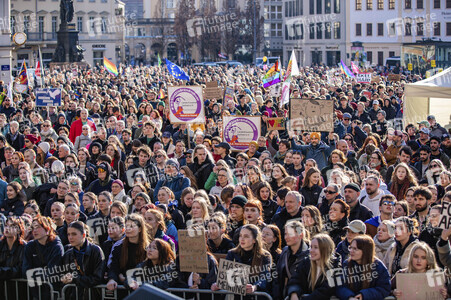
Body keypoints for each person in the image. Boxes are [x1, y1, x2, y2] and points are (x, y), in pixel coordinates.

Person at [211, 224, 273, 296]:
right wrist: (217, 284)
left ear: (254, 240)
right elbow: (225, 277)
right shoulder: (232, 253)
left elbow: (265, 277)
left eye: (246, 236)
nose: (242, 239)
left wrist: (255, 287)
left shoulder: (265, 255)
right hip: (237, 296)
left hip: (256, 296)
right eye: (240, 236)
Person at [336, 235, 391, 300]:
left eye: (355, 249)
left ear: (366, 251)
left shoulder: (378, 266)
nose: (351, 251)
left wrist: (364, 295)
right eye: (350, 247)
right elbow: (340, 286)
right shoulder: (346, 264)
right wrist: (350, 297)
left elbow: (384, 288)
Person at [286, 234, 339, 300]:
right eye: (311, 247)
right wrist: (294, 293)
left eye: (316, 247)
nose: (311, 250)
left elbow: (326, 291)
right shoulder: (305, 263)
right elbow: (295, 281)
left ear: (325, 250)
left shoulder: (336, 267)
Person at [61, 221, 105, 300]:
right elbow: (64, 274)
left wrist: (75, 279)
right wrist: (65, 278)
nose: (70, 237)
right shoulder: (68, 253)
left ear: (83, 235)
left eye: (74, 234)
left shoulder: (95, 250)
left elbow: (97, 278)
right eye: (68, 234)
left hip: (93, 295)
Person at [22, 216, 64, 298]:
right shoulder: (30, 246)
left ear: (47, 229)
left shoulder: (56, 246)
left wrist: (33, 275)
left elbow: (53, 271)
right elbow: (25, 271)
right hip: (35, 292)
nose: (34, 230)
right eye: (33, 228)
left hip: (52, 292)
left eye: (38, 227)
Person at [107, 214, 149, 291]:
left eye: (132, 226)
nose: (128, 229)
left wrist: (129, 279)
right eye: (126, 226)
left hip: (141, 288)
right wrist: (112, 279)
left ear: (140, 229)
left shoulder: (148, 248)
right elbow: (113, 267)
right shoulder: (118, 247)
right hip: (122, 289)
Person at [274, 220, 310, 299]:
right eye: (285, 234)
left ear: (301, 235)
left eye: (290, 234)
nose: (286, 237)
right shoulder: (284, 251)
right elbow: (278, 275)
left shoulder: (310, 254)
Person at [0, 216, 26, 299]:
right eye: (6, 225)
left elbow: (21, 269)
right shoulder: (1, 245)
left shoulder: (24, 247)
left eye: (12, 226)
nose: (7, 228)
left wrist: (2, 272)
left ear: (18, 230)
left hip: (18, 289)